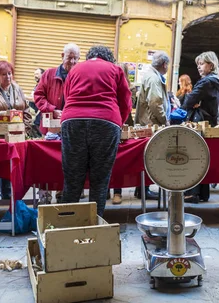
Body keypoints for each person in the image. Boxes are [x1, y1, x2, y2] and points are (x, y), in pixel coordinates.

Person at [60, 45, 131, 217]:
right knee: (100, 179)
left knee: (72, 178)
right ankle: (94, 226)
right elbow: (126, 101)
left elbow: (67, 95)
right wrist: (118, 123)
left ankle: (66, 227)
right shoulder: (115, 70)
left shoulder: (75, 69)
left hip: (73, 121)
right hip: (106, 121)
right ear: (109, 58)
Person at [0, 60, 32, 200]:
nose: (8, 77)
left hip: (15, 138)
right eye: (3, 74)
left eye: (9, 74)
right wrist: (6, 114)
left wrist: (25, 130)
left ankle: (8, 203)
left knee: (10, 172)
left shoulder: (17, 88)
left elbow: (27, 110)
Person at [182, 51, 219, 203]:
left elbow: (188, 101)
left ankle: (191, 193)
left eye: (201, 64)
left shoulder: (206, 82)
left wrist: (192, 101)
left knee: (194, 156)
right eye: (198, 64)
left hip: (199, 123)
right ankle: (203, 193)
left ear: (210, 65)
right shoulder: (215, 81)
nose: (199, 67)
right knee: (203, 157)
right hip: (209, 122)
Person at [132, 51, 171, 201]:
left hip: (148, 122)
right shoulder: (154, 78)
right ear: (165, 65)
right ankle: (144, 189)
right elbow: (155, 102)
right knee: (151, 157)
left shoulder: (150, 75)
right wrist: (164, 120)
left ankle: (141, 189)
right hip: (152, 124)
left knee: (148, 156)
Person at [34, 43, 80, 135]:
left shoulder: (80, 78)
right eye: (69, 58)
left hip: (71, 127)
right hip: (49, 127)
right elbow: (38, 96)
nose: (72, 61)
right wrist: (52, 110)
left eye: (75, 58)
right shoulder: (48, 74)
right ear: (62, 56)